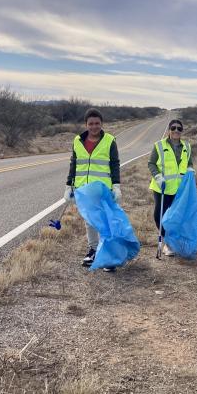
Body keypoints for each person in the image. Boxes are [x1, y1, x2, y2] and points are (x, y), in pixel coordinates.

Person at [64, 108, 121, 272]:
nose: (94, 126)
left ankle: (108, 256)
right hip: (84, 189)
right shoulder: (77, 140)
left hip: (103, 189)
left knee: (104, 221)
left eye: (97, 123)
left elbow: (114, 164)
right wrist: (69, 185)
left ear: (101, 124)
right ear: (86, 124)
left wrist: (116, 186)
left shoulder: (109, 140)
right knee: (89, 222)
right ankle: (93, 251)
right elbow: (74, 164)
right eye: (91, 123)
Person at [148, 119, 193, 257]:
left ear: (182, 131)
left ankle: (172, 242)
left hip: (179, 190)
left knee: (175, 216)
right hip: (162, 187)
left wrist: (191, 170)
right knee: (159, 215)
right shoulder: (159, 145)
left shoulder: (187, 146)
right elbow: (151, 164)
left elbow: (189, 163)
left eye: (179, 129)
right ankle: (166, 242)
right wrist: (158, 177)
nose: (176, 131)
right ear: (169, 130)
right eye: (173, 128)